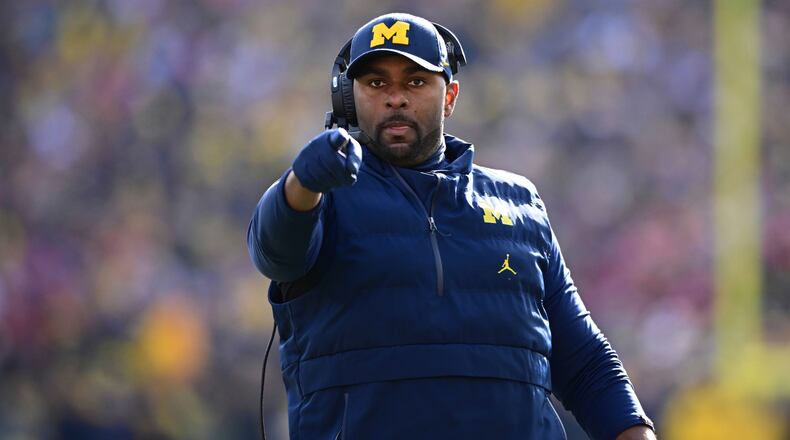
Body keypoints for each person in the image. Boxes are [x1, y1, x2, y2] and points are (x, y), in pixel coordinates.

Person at [247, 12, 656, 440]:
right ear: (348, 100)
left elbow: (584, 361)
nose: (395, 98)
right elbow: (275, 251)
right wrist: (301, 182)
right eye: (376, 84)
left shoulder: (520, 203)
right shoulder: (322, 195)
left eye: (416, 82)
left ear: (450, 97)